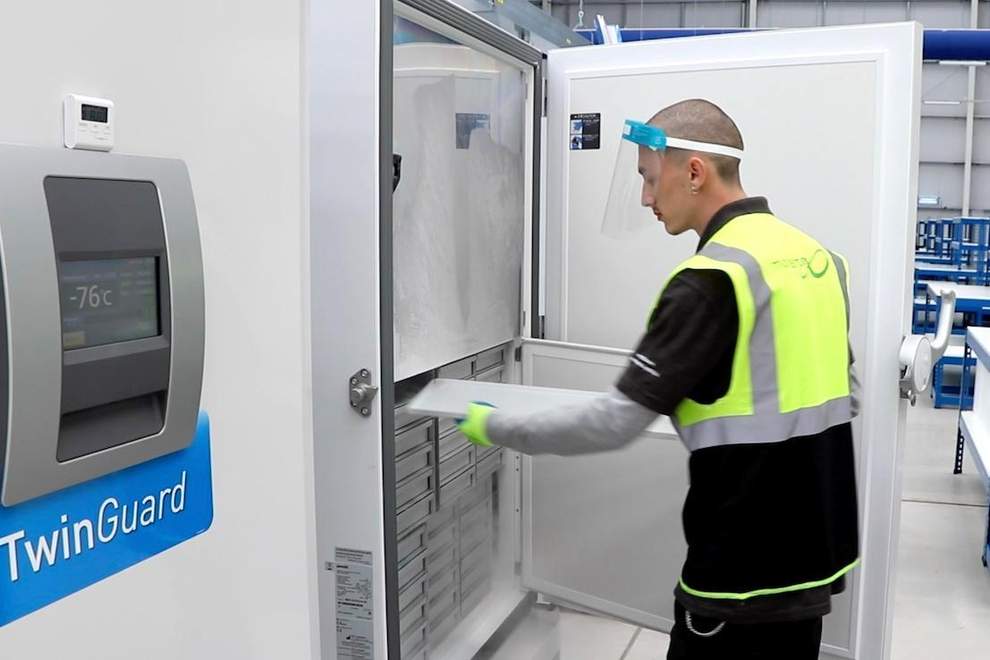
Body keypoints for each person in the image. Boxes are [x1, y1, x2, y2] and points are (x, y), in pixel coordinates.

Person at [457, 99, 860, 660]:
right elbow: (843, 392)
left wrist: (497, 426)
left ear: (693, 172)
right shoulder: (819, 260)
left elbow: (612, 423)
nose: (646, 198)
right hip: (811, 564)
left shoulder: (711, 280)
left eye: (649, 178)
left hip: (737, 575)